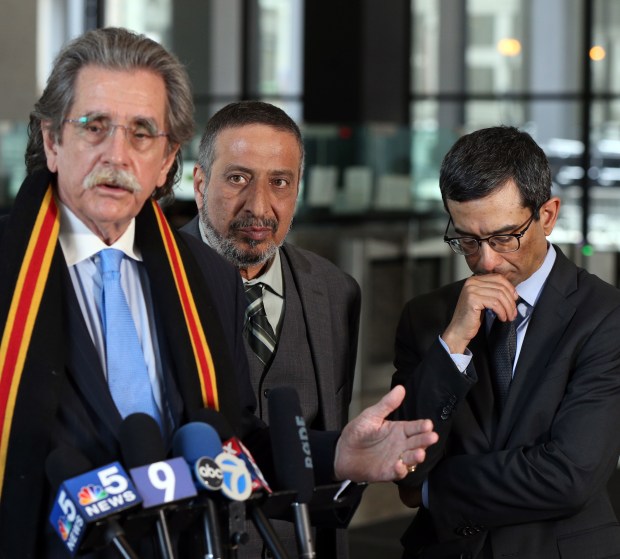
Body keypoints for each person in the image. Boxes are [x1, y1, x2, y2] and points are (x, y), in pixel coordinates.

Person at [0, 27, 437, 559]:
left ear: (166, 161)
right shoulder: (8, 270)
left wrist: (338, 453)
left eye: (142, 133)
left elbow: (229, 445)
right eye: (94, 127)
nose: (117, 154)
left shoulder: (203, 276)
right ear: (52, 140)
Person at [391, 125, 620, 559]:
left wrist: (435, 487)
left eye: (503, 237)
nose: (487, 261)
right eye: (467, 240)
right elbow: (404, 464)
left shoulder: (606, 317)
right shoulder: (426, 318)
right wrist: (452, 344)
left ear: (548, 215)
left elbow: (569, 477)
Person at [181, 100, 361, 557]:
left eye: (279, 182)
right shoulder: (155, 275)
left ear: (296, 190)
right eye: (238, 178)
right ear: (200, 186)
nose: (259, 206)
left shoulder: (336, 292)